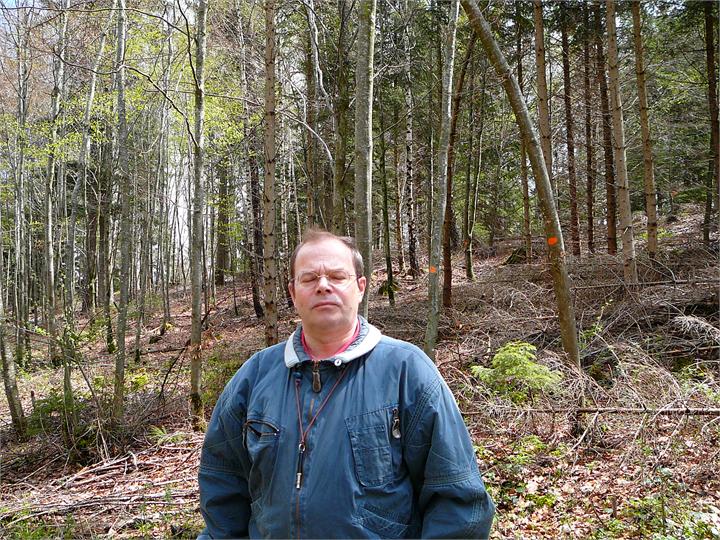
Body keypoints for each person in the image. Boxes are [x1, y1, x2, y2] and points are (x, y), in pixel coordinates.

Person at [198, 229, 495, 539]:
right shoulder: (255, 376)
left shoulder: (407, 371)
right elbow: (222, 490)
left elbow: (457, 502)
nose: (323, 285)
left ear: (360, 287)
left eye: (337, 276)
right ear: (293, 292)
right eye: (309, 278)